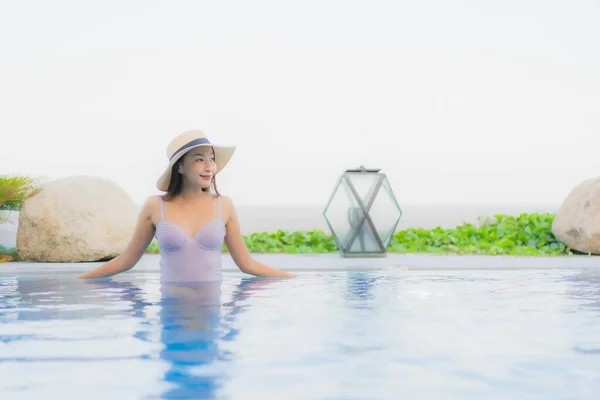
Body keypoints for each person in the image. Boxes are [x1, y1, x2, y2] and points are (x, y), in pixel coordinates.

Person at [76, 129, 295, 281]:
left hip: (210, 314)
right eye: (199, 159)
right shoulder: (155, 206)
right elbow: (126, 261)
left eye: (211, 159)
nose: (209, 166)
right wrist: (78, 279)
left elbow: (247, 264)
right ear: (179, 167)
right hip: (171, 312)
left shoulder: (224, 206)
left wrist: (293, 278)